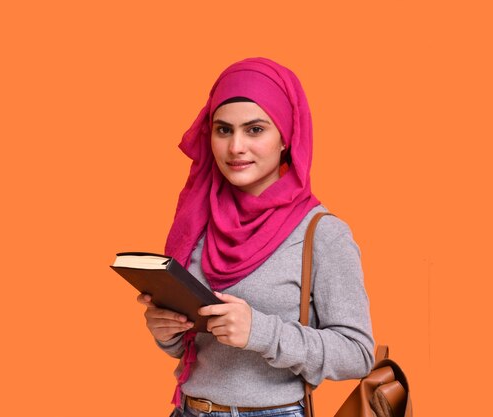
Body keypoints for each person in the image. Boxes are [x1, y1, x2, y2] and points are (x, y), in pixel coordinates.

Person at [136, 57, 374, 417]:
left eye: (255, 130)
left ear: (285, 137)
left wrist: (262, 332)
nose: (236, 148)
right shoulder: (197, 219)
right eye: (223, 130)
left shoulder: (322, 233)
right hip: (188, 410)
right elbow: (189, 347)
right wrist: (166, 330)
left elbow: (357, 354)